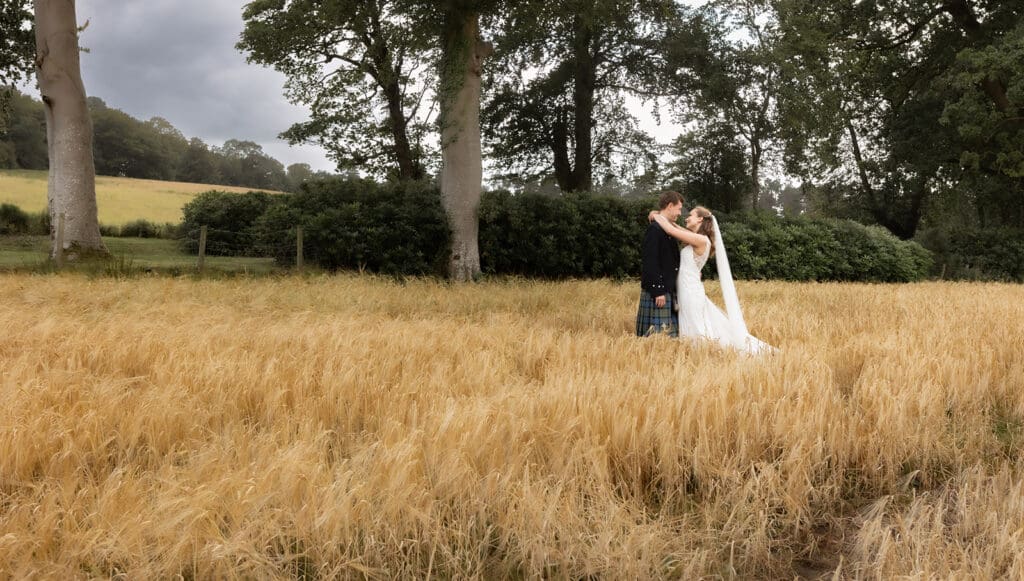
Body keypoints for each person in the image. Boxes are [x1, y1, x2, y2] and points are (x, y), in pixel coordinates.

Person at [649, 206, 774, 354]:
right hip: (687, 289)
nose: (686, 218)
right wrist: (661, 216)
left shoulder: (701, 240)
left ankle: (704, 354)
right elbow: (676, 227)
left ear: (700, 219)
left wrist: (656, 216)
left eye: (690, 215)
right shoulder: (697, 238)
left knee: (696, 325)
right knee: (692, 323)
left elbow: (671, 230)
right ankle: (699, 354)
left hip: (690, 291)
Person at [636, 191, 684, 337]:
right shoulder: (655, 229)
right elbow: (650, 261)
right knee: (655, 336)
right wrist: (658, 291)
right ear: (670, 206)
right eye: (679, 209)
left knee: (669, 336)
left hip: (668, 289)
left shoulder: (668, 228)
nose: (680, 213)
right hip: (658, 291)